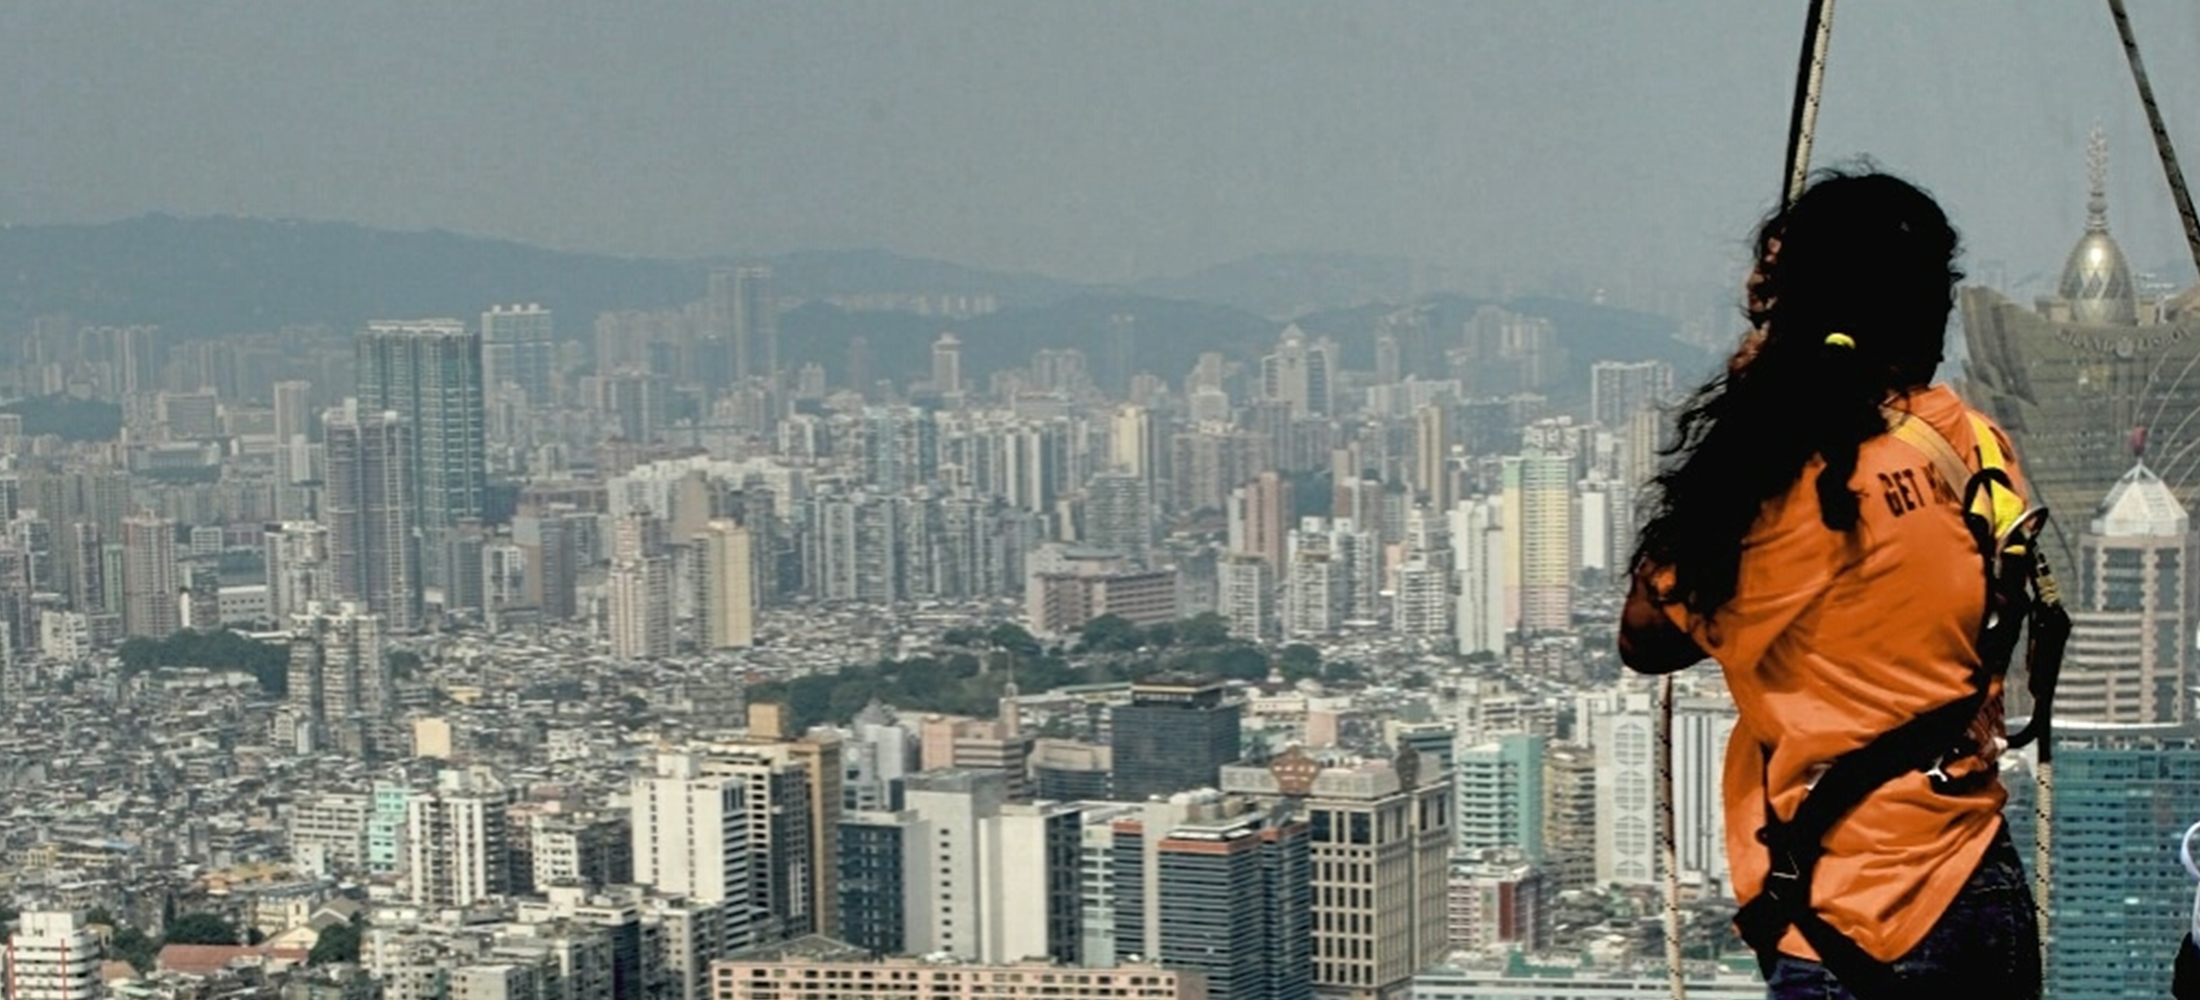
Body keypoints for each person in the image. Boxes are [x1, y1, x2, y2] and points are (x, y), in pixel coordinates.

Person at [1619, 170, 2041, 1000]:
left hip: (1856, 914)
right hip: (1982, 884)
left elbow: (1645, 635)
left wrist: (1756, 388)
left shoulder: (1777, 487)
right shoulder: (1970, 444)